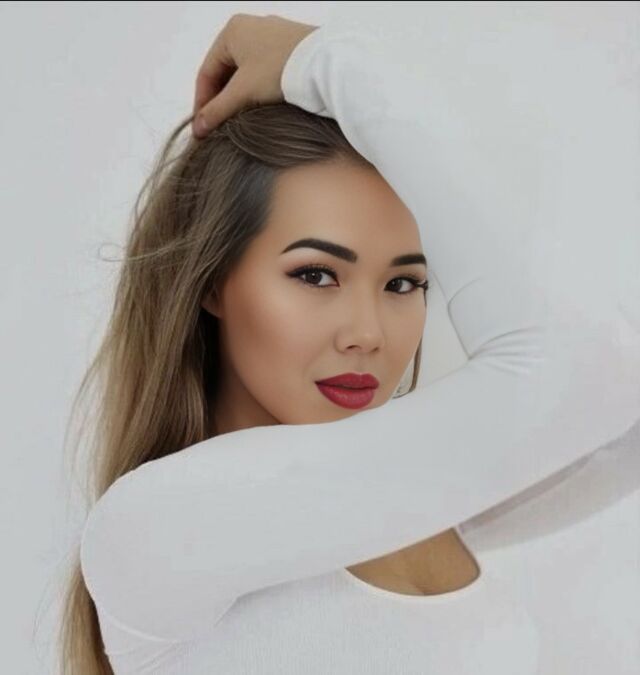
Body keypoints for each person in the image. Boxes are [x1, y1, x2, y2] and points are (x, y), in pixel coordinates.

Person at [66, 7, 639, 675]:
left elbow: (614, 397)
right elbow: (593, 372)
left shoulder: (414, 507)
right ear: (212, 281)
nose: (367, 334)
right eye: (315, 274)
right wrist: (326, 63)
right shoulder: (156, 525)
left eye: (403, 283)